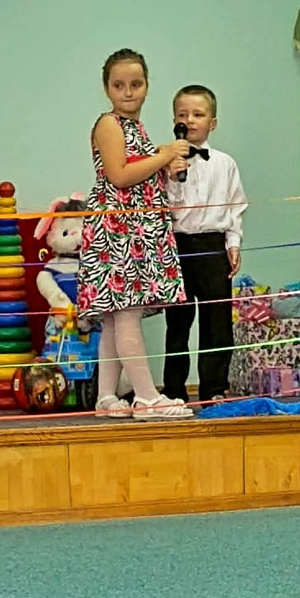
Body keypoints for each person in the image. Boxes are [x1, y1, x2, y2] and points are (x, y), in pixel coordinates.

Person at [78, 50, 191, 420]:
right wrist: (164, 155)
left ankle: (106, 396)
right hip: (118, 231)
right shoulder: (109, 124)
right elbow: (120, 175)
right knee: (125, 311)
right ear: (106, 88)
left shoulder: (136, 129)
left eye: (136, 84)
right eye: (119, 85)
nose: (128, 92)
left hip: (136, 229)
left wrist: (166, 162)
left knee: (116, 316)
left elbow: (141, 171)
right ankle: (146, 396)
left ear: (146, 86)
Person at [161, 85, 244, 403]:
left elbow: (236, 207)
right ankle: (173, 390)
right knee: (178, 323)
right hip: (178, 245)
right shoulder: (166, 163)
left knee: (217, 323)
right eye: (183, 114)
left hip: (213, 246)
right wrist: (171, 175)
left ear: (213, 122)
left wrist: (233, 244)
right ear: (174, 120)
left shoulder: (225, 163)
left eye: (198, 114)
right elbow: (166, 207)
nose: (190, 120)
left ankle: (213, 388)